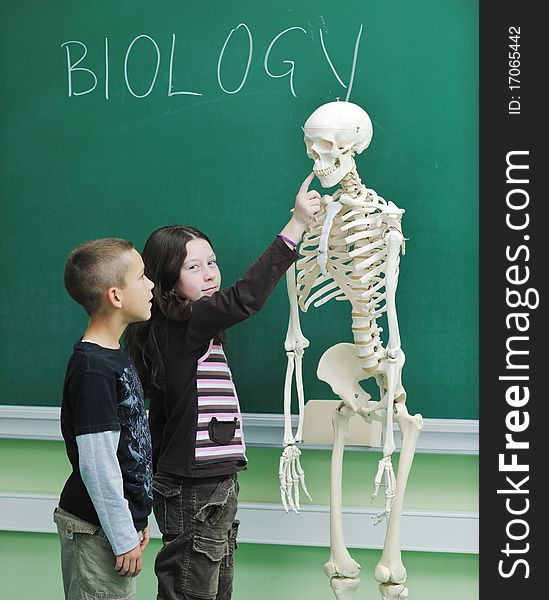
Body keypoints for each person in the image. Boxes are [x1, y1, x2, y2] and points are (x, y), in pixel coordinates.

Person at [124, 173, 321, 600]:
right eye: (193, 267)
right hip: (194, 485)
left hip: (210, 481)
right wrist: (297, 225)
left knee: (212, 587)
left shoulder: (187, 331)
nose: (210, 273)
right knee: (192, 590)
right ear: (165, 280)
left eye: (211, 262)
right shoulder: (186, 325)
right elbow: (246, 298)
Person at [54, 237, 155, 600]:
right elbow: (98, 464)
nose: (151, 285)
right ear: (115, 296)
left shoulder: (114, 355)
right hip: (95, 532)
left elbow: (130, 445)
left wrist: (134, 520)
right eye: (142, 277)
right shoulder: (93, 369)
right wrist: (122, 534)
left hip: (110, 528)